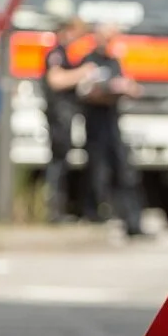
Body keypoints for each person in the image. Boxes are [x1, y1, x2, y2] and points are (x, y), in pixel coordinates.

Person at [77, 23, 149, 239]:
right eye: (105, 37)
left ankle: (133, 223)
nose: (108, 42)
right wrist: (104, 90)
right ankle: (95, 216)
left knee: (125, 172)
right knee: (97, 173)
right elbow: (85, 91)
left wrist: (126, 88)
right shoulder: (88, 62)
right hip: (94, 125)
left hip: (112, 124)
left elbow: (132, 87)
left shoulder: (114, 62)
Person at [41, 16, 93, 223]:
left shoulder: (64, 53)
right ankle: (54, 212)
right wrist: (82, 73)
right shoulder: (56, 53)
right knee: (57, 163)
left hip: (64, 114)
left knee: (62, 162)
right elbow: (56, 80)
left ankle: (59, 210)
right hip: (58, 115)